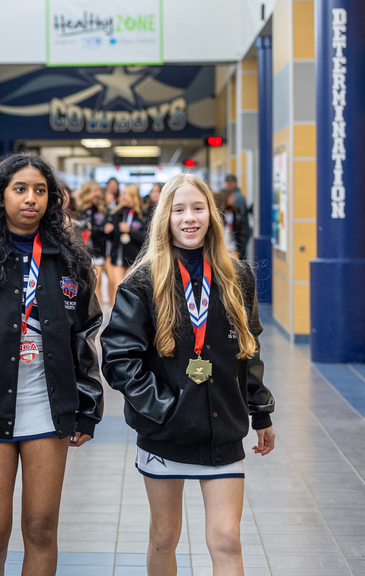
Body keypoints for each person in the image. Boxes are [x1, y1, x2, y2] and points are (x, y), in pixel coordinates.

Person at [0, 153, 103, 576]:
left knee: (42, 529)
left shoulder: (68, 258)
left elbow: (84, 334)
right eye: (21, 189)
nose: (31, 199)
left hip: (49, 407)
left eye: (41, 191)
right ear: (0, 196)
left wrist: (88, 403)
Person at [101, 173, 276, 576]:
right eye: (179, 210)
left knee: (227, 538)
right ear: (165, 218)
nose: (189, 218)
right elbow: (118, 358)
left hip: (223, 428)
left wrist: (261, 411)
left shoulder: (237, 276)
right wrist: (163, 408)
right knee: (165, 536)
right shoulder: (142, 282)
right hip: (166, 433)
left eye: (198, 208)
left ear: (211, 216)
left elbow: (248, 349)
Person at [104, 183, 146, 307]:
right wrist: (108, 231)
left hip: (135, 258)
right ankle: (118, 315)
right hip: (117, 257)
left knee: (132, 289)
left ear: (133, 196)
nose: (121, 196)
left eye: (125, 194)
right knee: (119, 287)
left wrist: (130, 231)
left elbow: (146, 237)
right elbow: (110, 238)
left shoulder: (142, 215)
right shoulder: (116, 213)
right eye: (121, 194)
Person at [223, 174, 251, 259]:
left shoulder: (237, 197)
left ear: (235, 183)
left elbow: (240, 221)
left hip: (237, 240)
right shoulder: (230, 195)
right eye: (227, 183)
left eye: (230, 183)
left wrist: (239, 243)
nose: (228, 185)